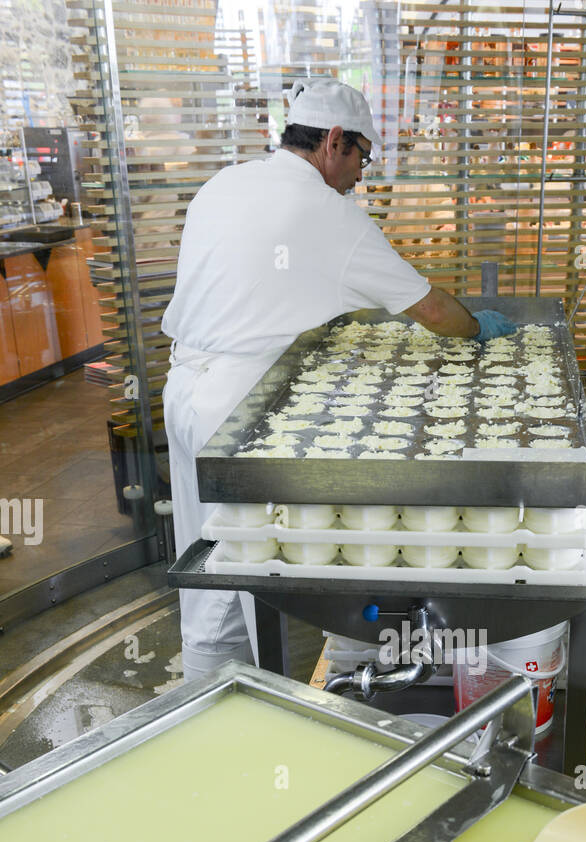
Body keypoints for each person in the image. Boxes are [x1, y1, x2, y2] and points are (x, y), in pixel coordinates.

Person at [162, 77, 516, 681]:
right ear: (333, 141)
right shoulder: (328, 214)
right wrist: (477, 329)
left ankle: (208, 702)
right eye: (361, 158)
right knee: (280, 566)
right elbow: (433, 312)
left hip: (185, 387)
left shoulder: (225, 183)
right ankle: (303, 699)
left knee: (212, 559)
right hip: (248, 405)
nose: (360, 177)